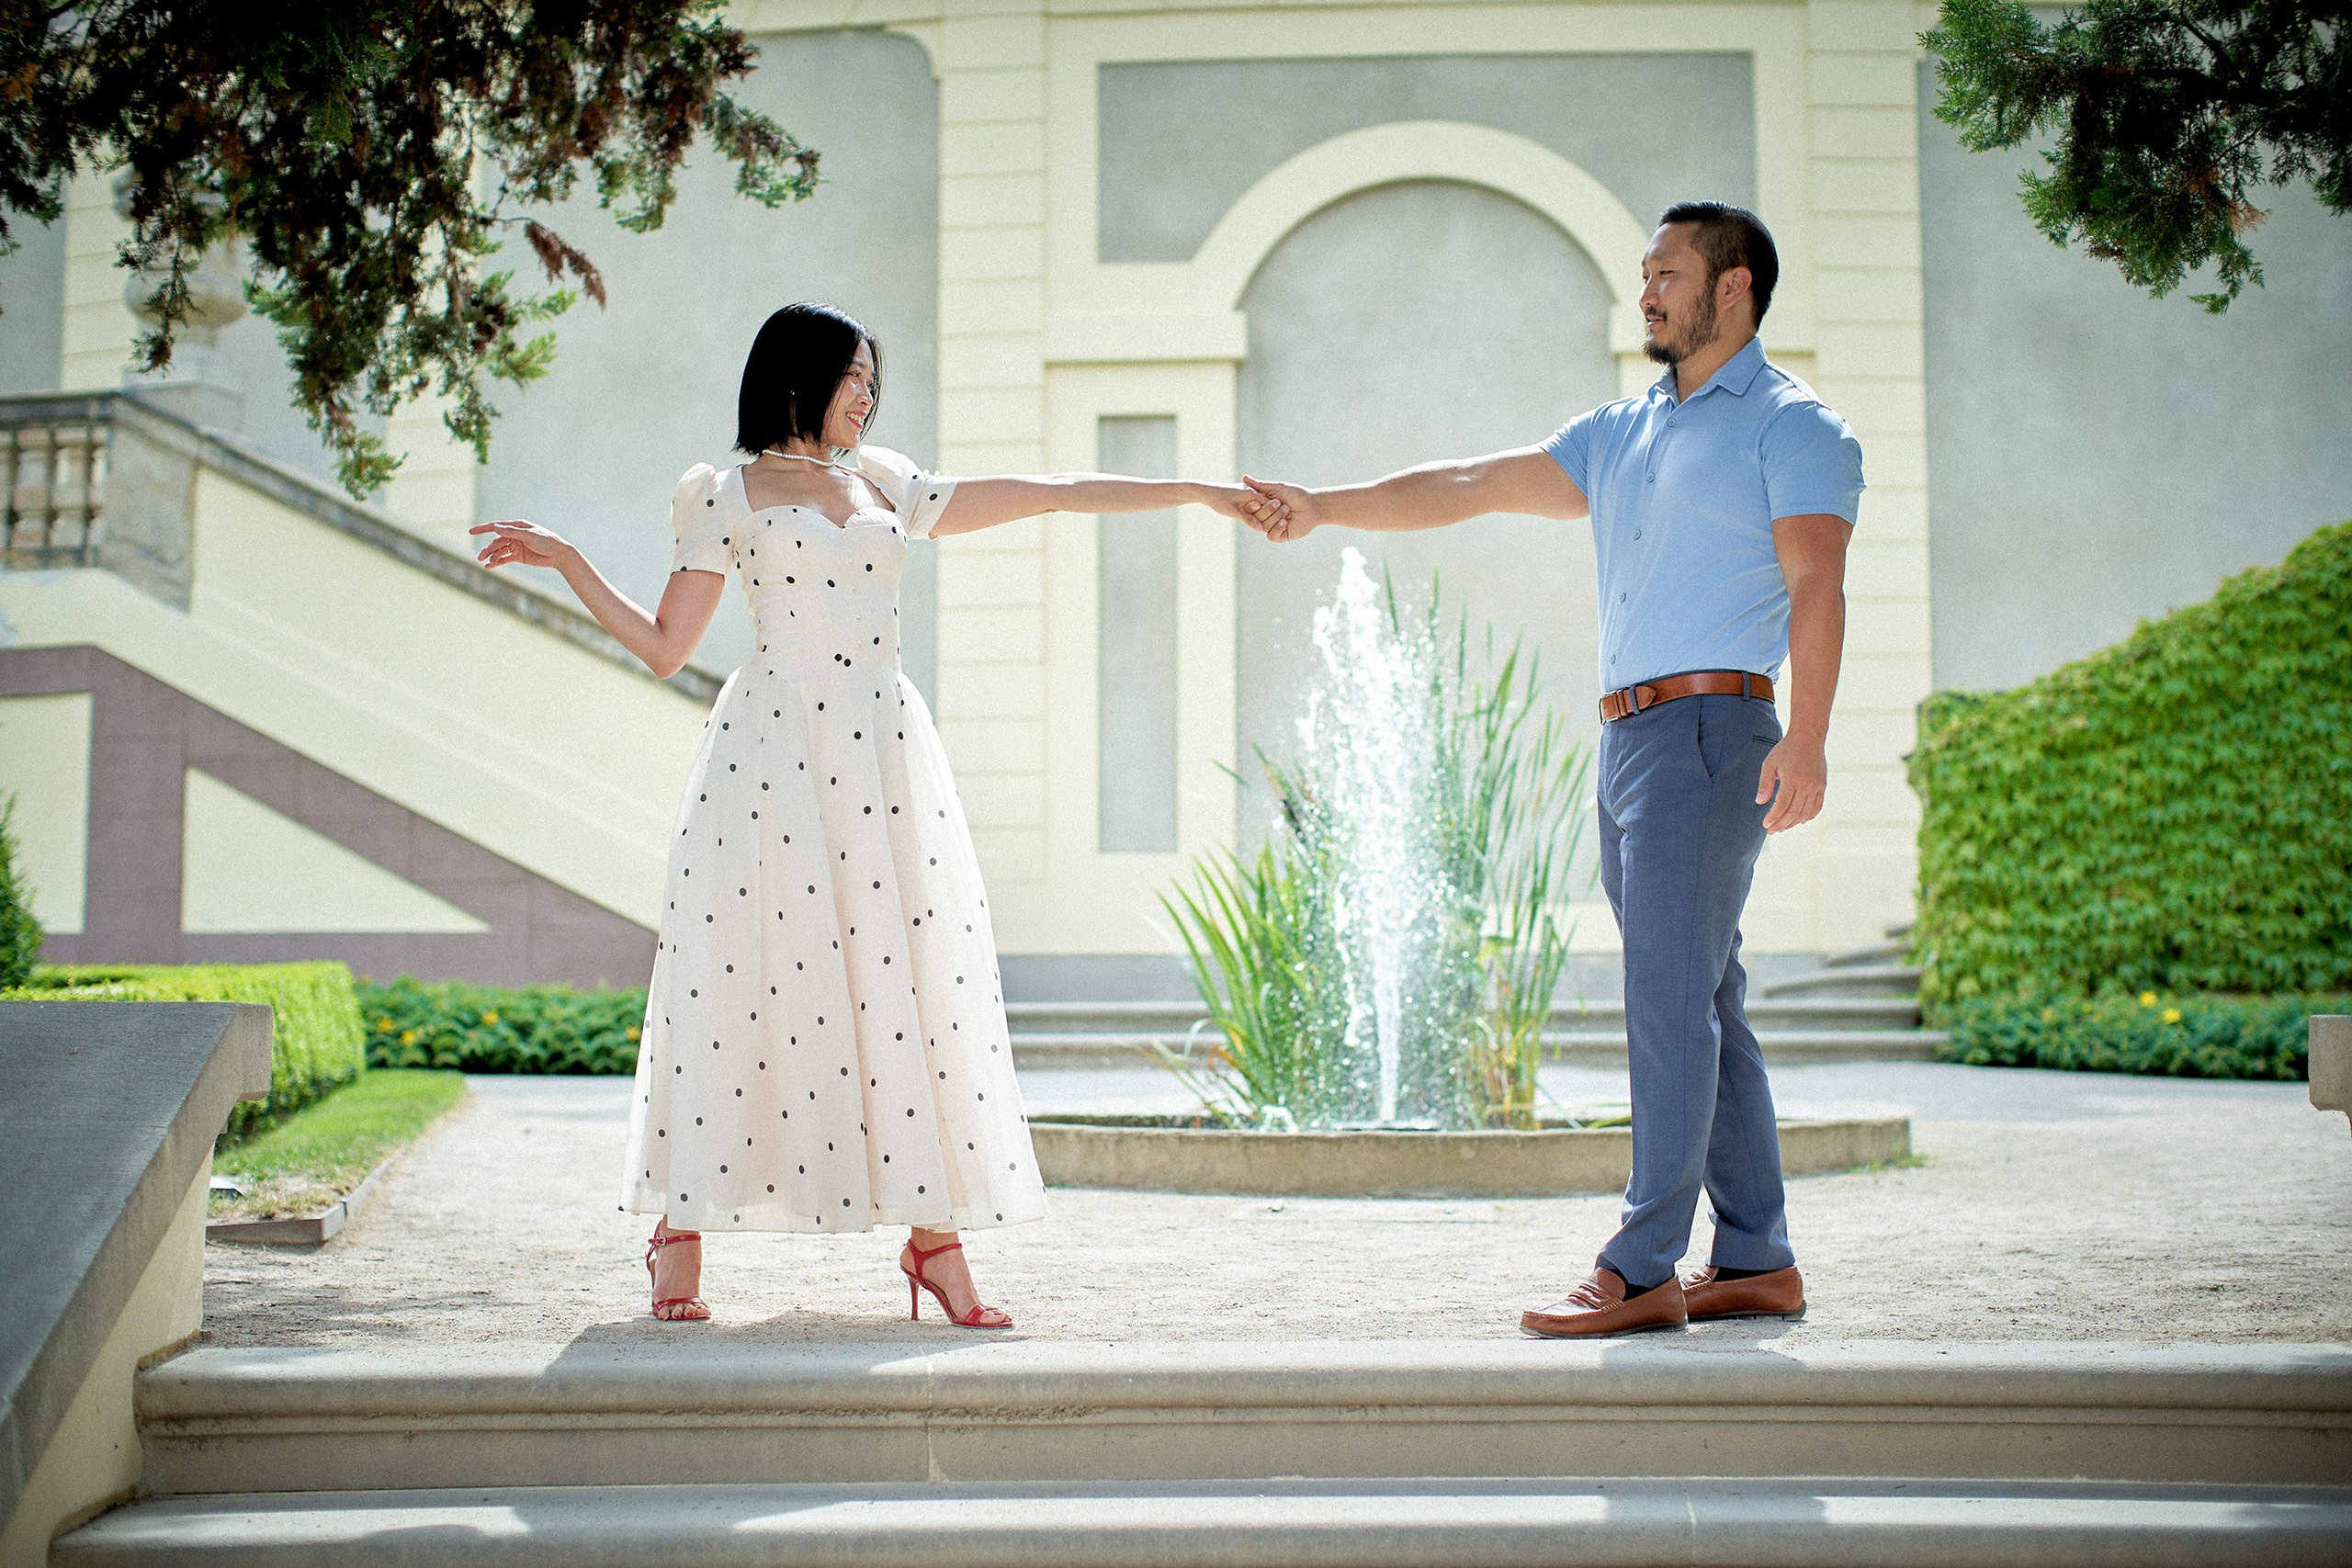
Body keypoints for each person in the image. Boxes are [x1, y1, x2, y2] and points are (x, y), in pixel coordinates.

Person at [473, 301, 1281, 1326]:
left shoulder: (889, 481)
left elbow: (1056, 492)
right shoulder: (723, 494)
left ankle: (934, 1240)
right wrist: (571, 559)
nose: (867, 394)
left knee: (907, 975)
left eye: (872, 381)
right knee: (750, 974)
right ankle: (679, 1230)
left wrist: (1202, 491)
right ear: (799, 377)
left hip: (885, 757)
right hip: (770, 760)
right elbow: (668, 646)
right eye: (854, 376)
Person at [1238, 203, 1862, 1337]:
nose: (1648, 293)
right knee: (1703, 993)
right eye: (1644, 274)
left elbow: (1817, 585)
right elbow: (1472, 481)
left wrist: (1808, 737)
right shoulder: (1624, 430)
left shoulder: (1792, 425)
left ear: (1733, 289)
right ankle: (1758, 1255)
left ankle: (1639, 1267)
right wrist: (1326, 506)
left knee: (1670, 1002)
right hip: (1629, 742)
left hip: (1713, 732)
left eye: (1667, 274)